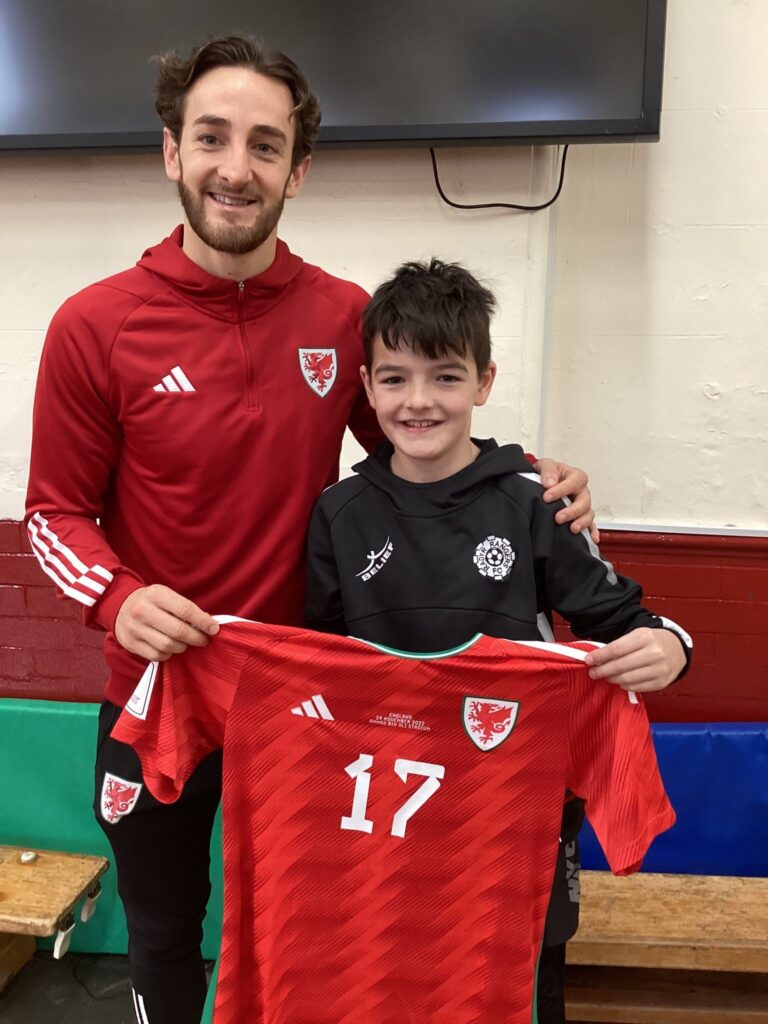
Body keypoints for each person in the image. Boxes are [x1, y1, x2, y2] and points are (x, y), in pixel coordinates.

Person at [23, 35, 598, 1024]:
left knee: (306, 926)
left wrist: (535, 479)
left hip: (312, 708)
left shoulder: (342, 316)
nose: (234, 168)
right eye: (211, 138)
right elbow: (52, 516)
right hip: (159, 693)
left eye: (263, 144)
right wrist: (119, 600)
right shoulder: (94, 324)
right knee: (164, 931)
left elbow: (424, 456)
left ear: (299, 168)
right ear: (172, 152)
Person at [305, 258, 692, 1024]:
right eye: (395, 378)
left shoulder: (533, 502)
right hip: (389, 813)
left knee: (523, 992)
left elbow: (626, 621)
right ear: (366, 383)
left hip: (520, 815)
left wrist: (672, 648)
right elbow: (317, 666)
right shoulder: (338, 513)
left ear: (484, 382)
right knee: (398, 987)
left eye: (445, 377)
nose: (419, 402)